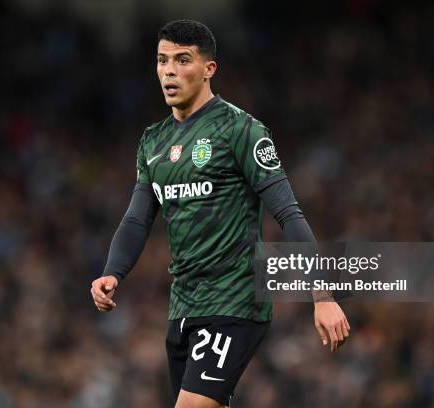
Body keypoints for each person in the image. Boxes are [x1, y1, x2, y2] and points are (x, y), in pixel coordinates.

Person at [91, 19, 350, 408]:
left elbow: (288, 213)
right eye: (162, 61)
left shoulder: (241, 131)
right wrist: (113, 271)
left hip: (235, 301)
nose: (169, 71)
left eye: (182, 60)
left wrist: (322, 294)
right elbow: (137, 219)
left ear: (209, 68)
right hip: (184, 305)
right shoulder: (152, 142)